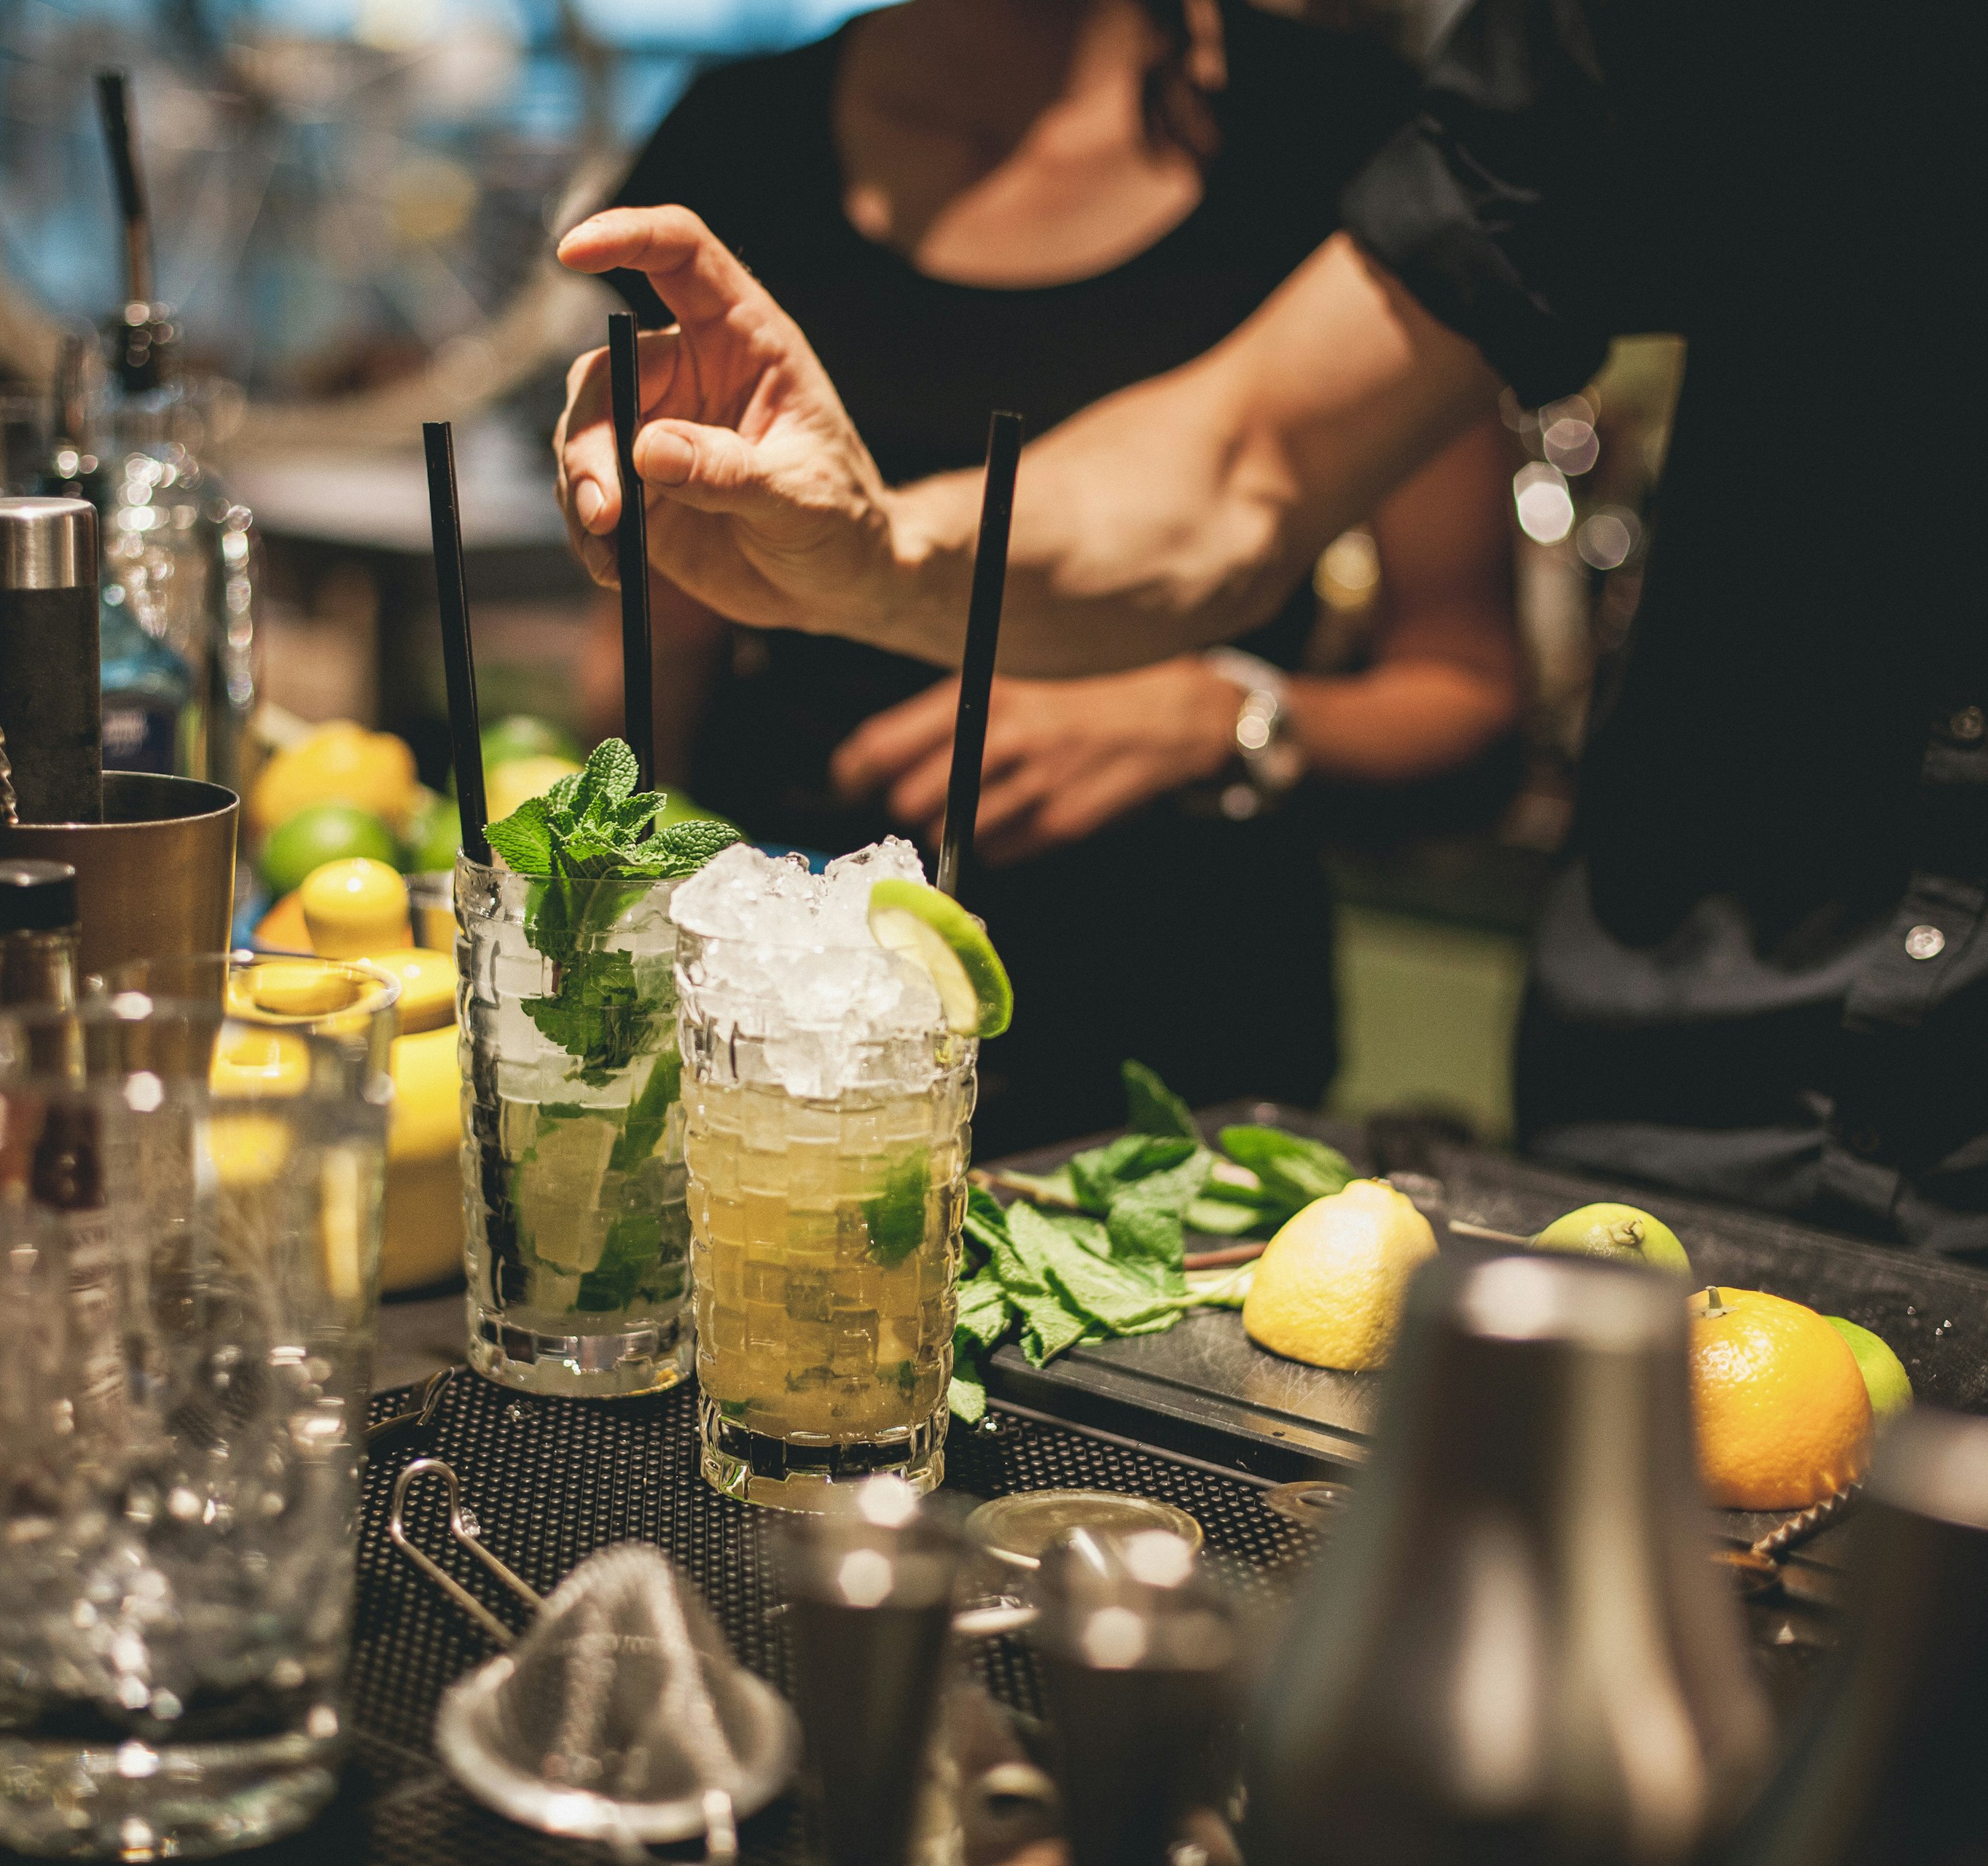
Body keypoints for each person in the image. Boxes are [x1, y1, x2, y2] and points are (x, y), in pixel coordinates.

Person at [552, 0, 1988, 1287]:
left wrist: (1226, 718)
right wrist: (873, 549)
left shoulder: (1297, 116)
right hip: (1661, 1123)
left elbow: (1461, 692)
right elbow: (1245, 460)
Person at [576, 0, 1520, 1153]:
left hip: (1183, 1059)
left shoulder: (1347, 136)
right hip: (793, 1036)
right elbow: (651, 657)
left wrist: (1205, 717)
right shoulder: (739, 140)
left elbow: (1466, 697)